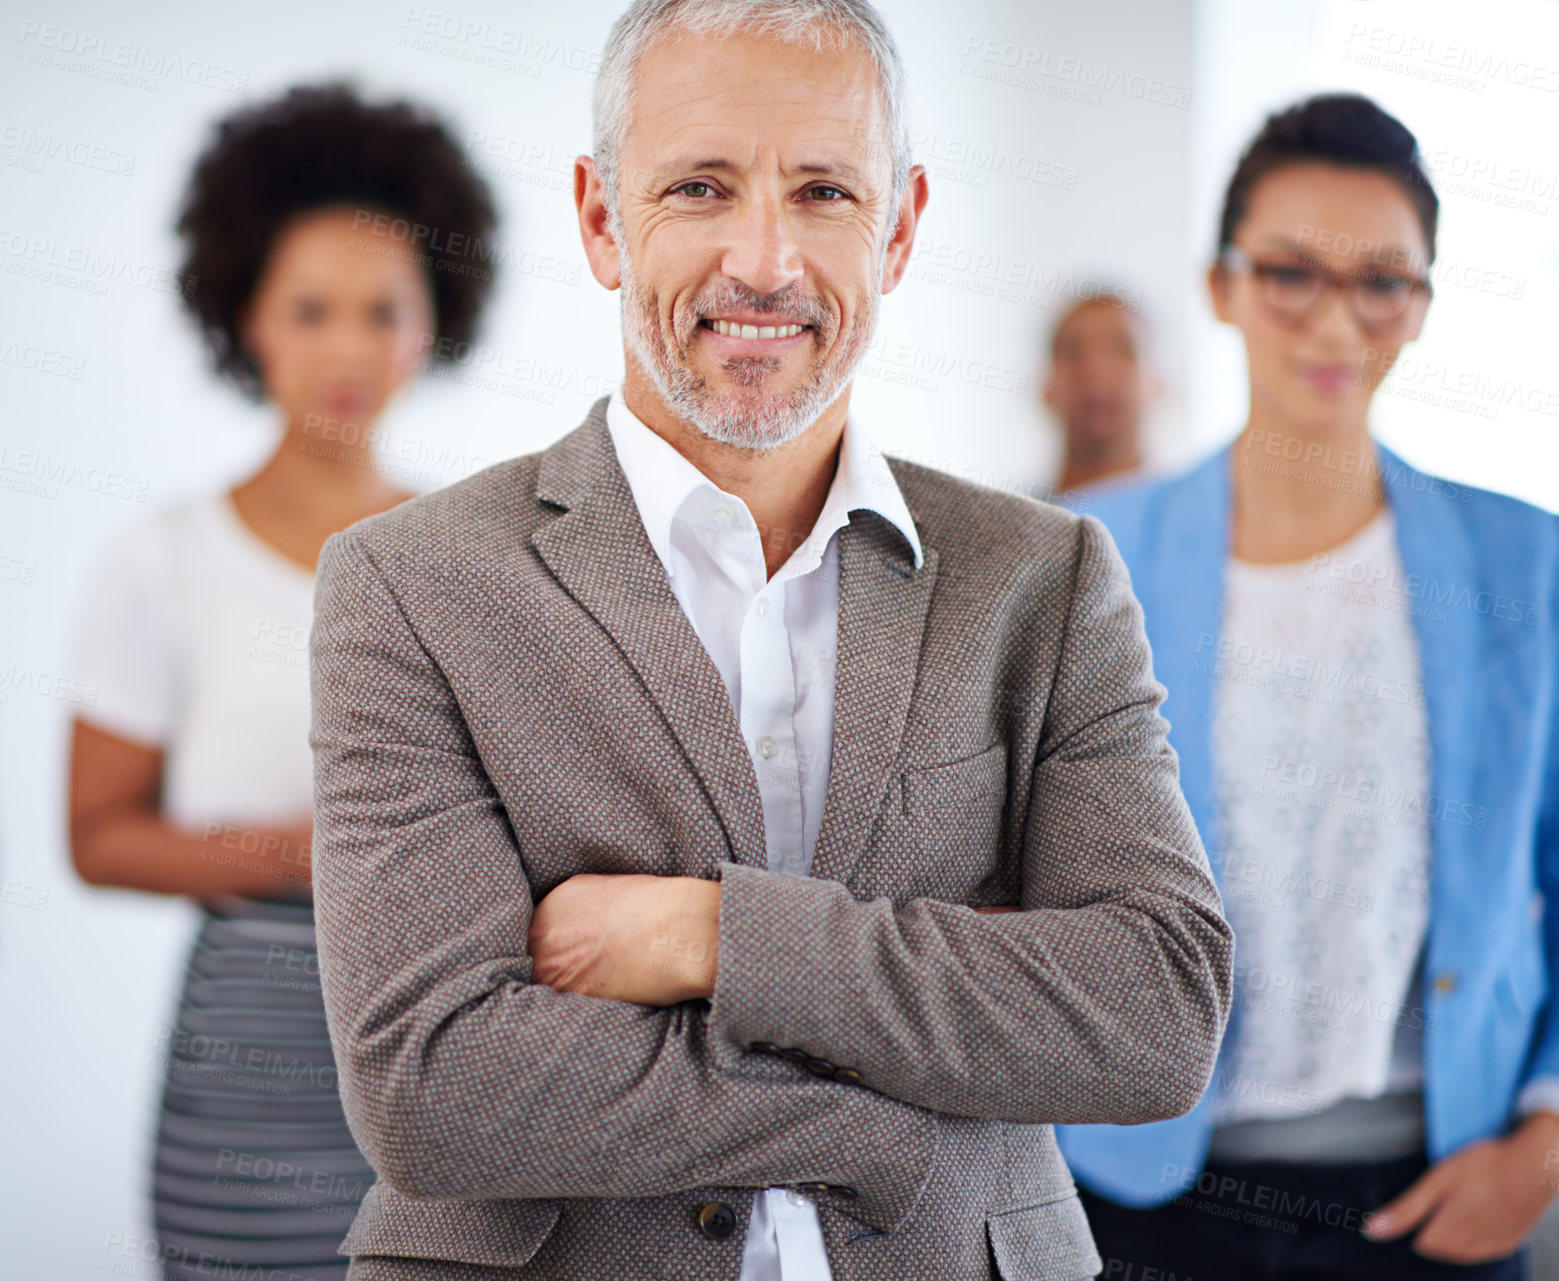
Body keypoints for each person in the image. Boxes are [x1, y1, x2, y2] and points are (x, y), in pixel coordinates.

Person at [304, 1, 1234, 1278]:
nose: (764, 261)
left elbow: (1151, 1014)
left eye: (822, 193)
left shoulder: (1044, 580)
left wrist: (708, 939)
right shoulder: (409, 585)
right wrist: (899, 1110)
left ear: (898, 228)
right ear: (598, 220)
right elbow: (436, 1083)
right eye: (698, 186)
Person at [1055, 93, 1559, 1280]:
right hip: (1129, 1190)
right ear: (1221, 285)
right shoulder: (1080, 553)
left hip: (1430, 1197)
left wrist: (1545, 1143)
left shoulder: (1522, 565)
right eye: (1288, 271)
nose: (1334, 321)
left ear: (1422, 304)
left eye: (1381, 281)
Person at [66, 84, 497, 1281]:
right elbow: (97, 836)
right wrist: (292, 857)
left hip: (441, 1049)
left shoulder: (473, 560)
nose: (349, 350)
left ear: (432, 326)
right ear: (248, 317)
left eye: (383, 311)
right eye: (311, 310)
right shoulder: (161, 559)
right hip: (243, 1061)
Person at [1042, 287, 1159, 493]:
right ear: (1047, 389)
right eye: (1073, 352)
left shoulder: (1199, 518)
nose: (1097, 367)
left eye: (1124, 349)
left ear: (1157, 385)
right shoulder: (1005, 521)